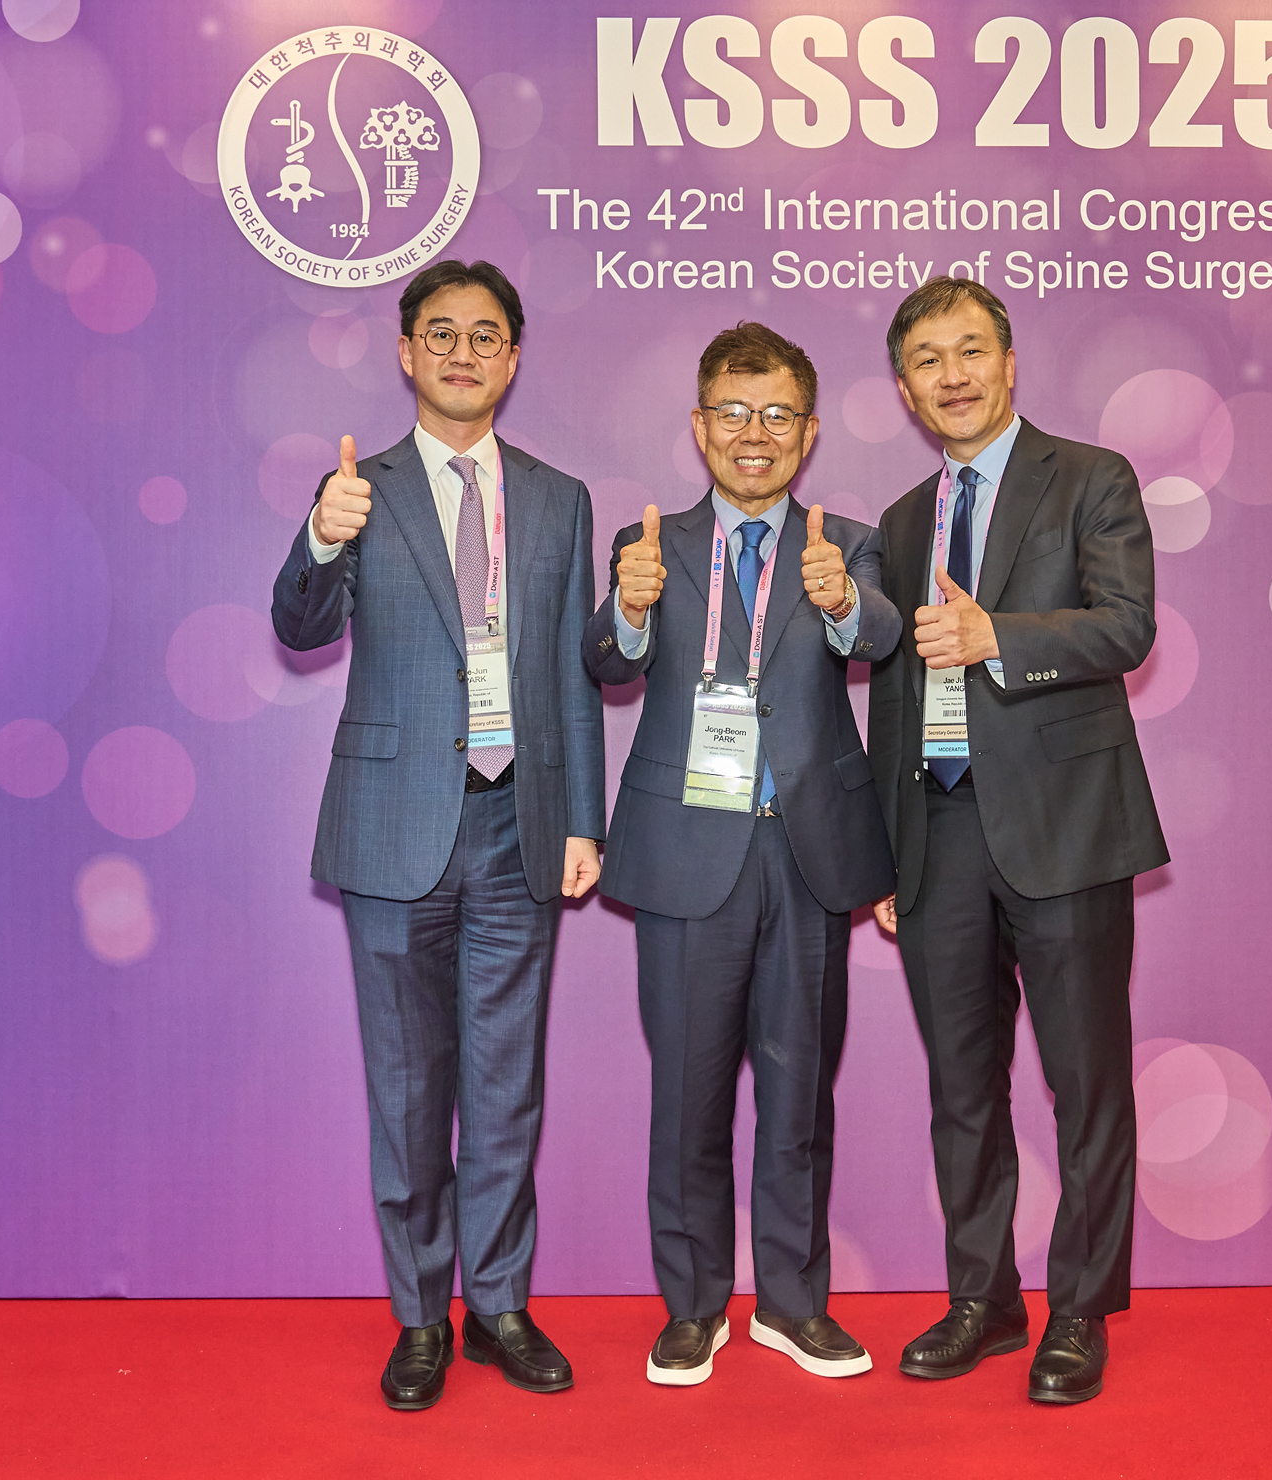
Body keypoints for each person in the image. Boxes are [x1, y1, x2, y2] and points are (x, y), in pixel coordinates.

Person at [270, 259, 605, 1413]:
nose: (465, 353)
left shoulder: (560, 499)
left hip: (522, 822)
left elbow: (570, 674)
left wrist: (583, 818)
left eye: (486, 335)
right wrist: (321, 539)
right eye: (442, 333)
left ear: (514, 358)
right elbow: (299, 625)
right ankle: (420, 1314)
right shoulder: (358, 489)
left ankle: (498, 1304)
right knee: (410, 1089)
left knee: (507, 1085)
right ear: (408, 352)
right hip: (396, 828)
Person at [864, 276, 1168, 1406]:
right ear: (905, 390)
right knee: (962, 1087)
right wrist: (888, 848)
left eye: (970, 351)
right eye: (928, 360)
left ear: (1008, 361)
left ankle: (1079, 1308)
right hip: (937, 832)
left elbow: (1125, 626)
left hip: (1064, 829)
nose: (952, 375)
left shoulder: (1090, 478)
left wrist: (998, 634)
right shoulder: (901, 521)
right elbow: (893, 699)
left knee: (1084, 1084)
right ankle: (982, 1299)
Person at [583, 322, 900, 1387]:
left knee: (800, 1094)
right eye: (732, 411)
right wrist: (628, 611)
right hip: (687, 854)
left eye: (775, 415)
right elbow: (603, 660)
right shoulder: (650, 542)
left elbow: (882, 636)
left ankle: (794, 1305)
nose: (752, 433)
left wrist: (844, 599)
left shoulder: (845, 543)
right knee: (689, 1094)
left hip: (807, 854)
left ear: (807, 433)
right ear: (699, 425)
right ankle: (693, 1307)